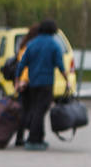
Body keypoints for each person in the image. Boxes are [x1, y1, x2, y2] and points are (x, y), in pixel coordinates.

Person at [15, 20, 66, 151]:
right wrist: (67, 80)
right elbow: (60, 65)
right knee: (40, 110)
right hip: (46, 82)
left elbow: (22, 64)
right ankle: (32, 139)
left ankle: (39, 138)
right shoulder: (54, 45)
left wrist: (17, 79)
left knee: (37, 109)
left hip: (33, 83)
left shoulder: (31, 44)